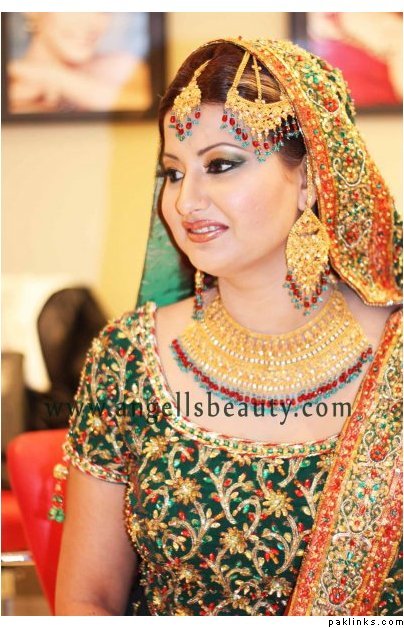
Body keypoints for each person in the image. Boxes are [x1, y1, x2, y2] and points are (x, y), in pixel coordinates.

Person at [53, 37, 402, 616]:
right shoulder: (129, 357)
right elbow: (88, 600)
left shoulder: (395, 353)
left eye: (220, 165)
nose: (185, 202)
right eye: (172, 173)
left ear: (311, 179)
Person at [8, 12, 152, 114]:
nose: (91, 24)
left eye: (103, 10)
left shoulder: (122, 67)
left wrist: (53, 77)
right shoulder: (13, 87)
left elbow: (147, 107)